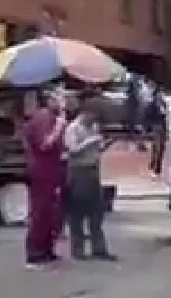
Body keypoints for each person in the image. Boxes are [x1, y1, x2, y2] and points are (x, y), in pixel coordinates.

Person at [63, 99, 116, 260]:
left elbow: (96, 149)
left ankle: (99, 248)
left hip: (93, 170)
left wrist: (103, 145)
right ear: (85, 113)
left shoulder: (93, 127)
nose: (95, 122)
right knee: (77, 212)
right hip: (78, 171)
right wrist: (90, 141)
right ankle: (77, 250)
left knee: (96, 211)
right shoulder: (73, 128)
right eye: (94, 117)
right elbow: (72, 149)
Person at [24, 91, 67, 268]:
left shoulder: (52, 117)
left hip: (53, 169)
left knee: (52, 211)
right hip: (43, 169)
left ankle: (46, 248)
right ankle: (35, 251)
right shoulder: (43, 118)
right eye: (59, 98)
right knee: (41, 210)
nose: (62, 102)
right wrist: (59, 127)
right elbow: (45, 144)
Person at [143, 88, 168, 179]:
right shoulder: (152, 105)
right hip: (156, 127)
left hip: (162, 128)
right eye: (159, 95)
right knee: (158, 148)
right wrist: (147, 128)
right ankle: (156, 168)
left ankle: (154, 163)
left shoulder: (164, 105)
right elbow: (147, 116)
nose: (161, 97)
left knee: (159, 148)